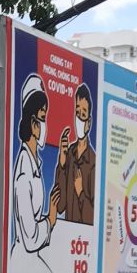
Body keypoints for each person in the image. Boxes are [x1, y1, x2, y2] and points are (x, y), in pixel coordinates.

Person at [11, 74, 61, 261]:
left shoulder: (34, 164)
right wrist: (51, 219)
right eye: (42, 118)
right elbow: (30, 238)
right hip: (23, 260)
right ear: (32, 124)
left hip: (32, 258)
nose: (45, 125)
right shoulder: (24, 172)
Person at [53, 82, 97, 226]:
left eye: (83, 114)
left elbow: (93, 218)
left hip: (84, 238)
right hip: (67, 234)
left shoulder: (93, 162)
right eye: (77, 113)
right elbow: (60, 206)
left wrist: (81, 192)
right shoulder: (70, 154)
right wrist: (62, 163)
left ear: (89, 122)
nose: (79, 118)